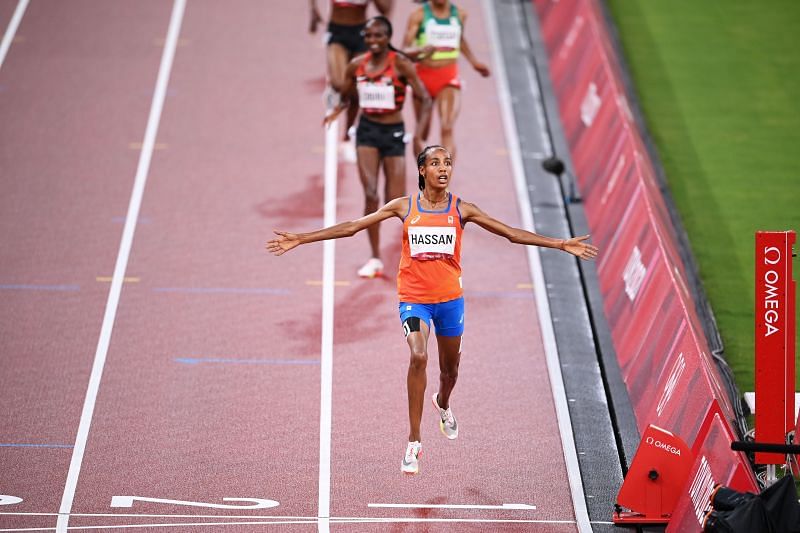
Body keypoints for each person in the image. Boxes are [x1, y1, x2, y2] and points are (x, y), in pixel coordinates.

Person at [266, 145, 599, 475]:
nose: (444, 168)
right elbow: (353, 226)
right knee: (418, 355)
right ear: (422, 171)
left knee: (450, 371)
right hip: (414, 300)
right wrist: (302, 238)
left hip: (450, 302)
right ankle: (414, 440)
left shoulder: (462, 209)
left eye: (448, 163)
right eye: (436, 163)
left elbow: (511, 234)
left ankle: (443, 402)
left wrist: (559, 244)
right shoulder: (404, 206)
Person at [324, 16, 432, 278]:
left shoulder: (402, 65)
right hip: (367, 133)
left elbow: (425, 98)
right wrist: (337, 110)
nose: (372, 41)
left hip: (393, 134)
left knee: (396, 203)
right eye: (369, 36)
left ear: (388, 38)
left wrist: (418, 135)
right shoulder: (356, 66)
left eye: (378, 36)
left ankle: (414, 255)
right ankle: (374, 257)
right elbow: (348, 95)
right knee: (371, 194)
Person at [401, 0, 490, 162]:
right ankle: (426, 173)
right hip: (423, 78)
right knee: (423, 132)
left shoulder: (460, 15)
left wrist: (474, 62)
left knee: (447, 127)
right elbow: (404, 50)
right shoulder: (418, 15)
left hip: (448, 76)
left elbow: (460, 39)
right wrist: (420, 51)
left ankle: (443, 177)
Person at [309, 0, 393, 159]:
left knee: (356, 92)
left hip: (361, 35)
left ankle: (347, 137)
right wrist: (313, 10)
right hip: (337, 33)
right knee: (339, 83)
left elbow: (385, 9)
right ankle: (334, 88)